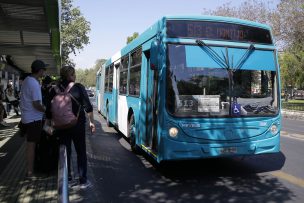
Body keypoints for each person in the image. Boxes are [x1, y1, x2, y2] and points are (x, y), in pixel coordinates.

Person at [45, 65, 96, 188]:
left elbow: (48, 109)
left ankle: (67, 179)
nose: (75, 76)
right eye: (74, 74)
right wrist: (91, 122)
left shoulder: (54, 89)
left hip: (60, 126)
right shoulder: (78, 88)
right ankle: (82, 180)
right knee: (80, 152)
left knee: (64, 152)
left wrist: (47, 124)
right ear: (71, 75)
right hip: (77, 125)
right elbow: (88, 107)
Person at [20, 59, 48, 177]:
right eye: (43, 70)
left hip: (27, 118)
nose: (44, 73)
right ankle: (30, 172)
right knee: (31, 146)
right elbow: (36, 104)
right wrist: (47, 110)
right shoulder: (34, 84)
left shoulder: (27, 80)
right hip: (33, 119)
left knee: (30, 144)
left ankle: (31, 169)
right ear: (40, 70)